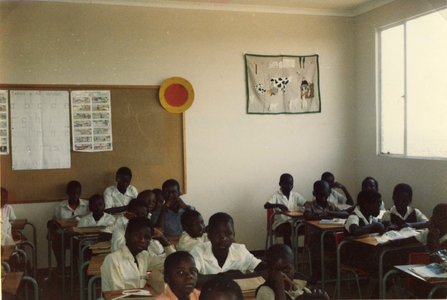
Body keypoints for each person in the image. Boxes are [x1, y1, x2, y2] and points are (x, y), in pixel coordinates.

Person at [101, 217, 175, 292]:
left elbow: (174, 262)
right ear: (127, 235)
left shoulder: (144, 256)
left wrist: (162, 239)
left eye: (147, 237)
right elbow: (118, 294)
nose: (142, 240)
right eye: (137, 235)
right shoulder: (113, 259)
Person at [190, 212, 267, 285]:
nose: (223, 238)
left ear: (233, 235)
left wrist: (239, 277)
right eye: (217, 233)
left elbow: (268, 271)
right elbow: (191, 278)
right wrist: (225, 277)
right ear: (209, 235)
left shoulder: (240, 251)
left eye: (228, 234)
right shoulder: (198, 251)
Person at [304, 180, 348, 285]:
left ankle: (334, 271)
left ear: (329, 194)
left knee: (340, 241)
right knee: (316, 241)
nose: (323, 197)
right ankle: (316, 273)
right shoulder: (310, 204)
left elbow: (345, 213)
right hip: (314, 237)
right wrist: (320, 216)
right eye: (320, 194)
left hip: (328, 236)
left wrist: (329, 213)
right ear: (314, 194)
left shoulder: (330, 205)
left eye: (325, 194)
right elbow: (307, 215)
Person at [256, 244, 328, 300]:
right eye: (276, 271)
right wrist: (279, 283)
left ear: (294, 268)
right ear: (268, 270)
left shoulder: (302, 289)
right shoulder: (265, 292)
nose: (282, 275)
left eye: (286, 270)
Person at [342, 189, 386, 275]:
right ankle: (376, 287)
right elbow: (355, 230)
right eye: (378, 204)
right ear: (366, 204)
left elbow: (377, 227)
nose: (380, 207)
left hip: (365, 256)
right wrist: (375, 226)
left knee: (385, 264)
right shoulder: (354, 217)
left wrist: (385, 226)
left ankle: (377, 286)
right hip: (353, 258)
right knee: (381, 267)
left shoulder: (370, 217)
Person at [264, 174, 306, 248]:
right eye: (286, 184)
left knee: (307, 226)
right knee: (286, 230)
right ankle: (289, 252)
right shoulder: (276, 195)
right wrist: (278, 205)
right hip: (280, 223)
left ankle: (306, 252)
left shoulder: (295, 195)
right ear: (280, 184)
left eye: (291, 184)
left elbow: (306, 204)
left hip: (293, 222)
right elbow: (266, 205)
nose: (289, 186)